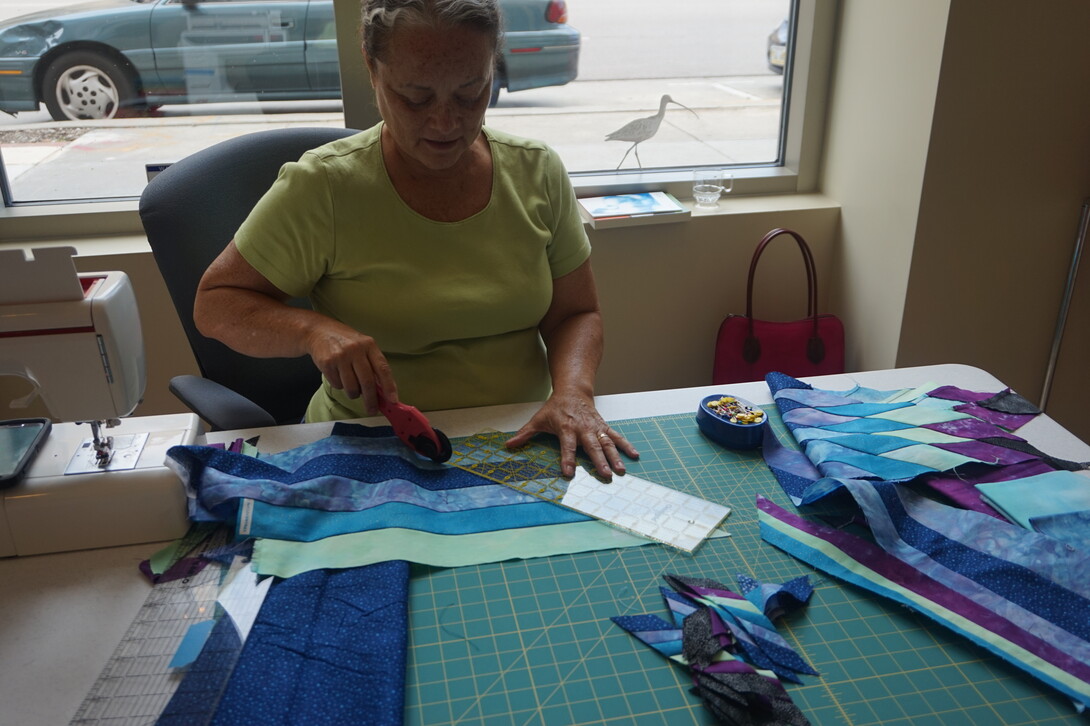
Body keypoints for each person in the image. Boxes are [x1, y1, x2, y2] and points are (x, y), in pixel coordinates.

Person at [193, 0, 638, 480]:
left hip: (521, 434)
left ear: (493, 66)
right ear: (371, 66)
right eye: (415, 97)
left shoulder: (536, 171)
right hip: (369, 443)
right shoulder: (323, 186)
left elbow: (576, 313)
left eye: (471, 93)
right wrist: (312, 330)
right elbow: (216, 304)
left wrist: (573, 393)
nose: (446, 123)